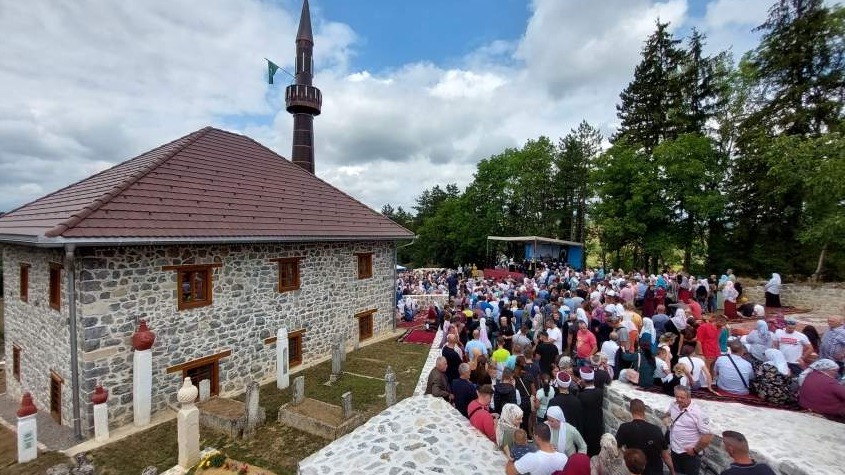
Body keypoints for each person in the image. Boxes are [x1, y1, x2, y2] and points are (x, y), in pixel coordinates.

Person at [615, 399, 674, 475]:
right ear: (644, 410)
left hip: (635, 470)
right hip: (655, 471)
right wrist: (673, 472)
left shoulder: (624, 428)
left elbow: (616, 449)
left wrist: (626, 457)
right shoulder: (656, 430)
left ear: (631, 411)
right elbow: (666, 457)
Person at [664, 385, 713, 475]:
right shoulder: (673, 405)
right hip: (675, 450)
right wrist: (666, 420)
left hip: (689, 455)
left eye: (682, 397)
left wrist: (695, 450)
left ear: (689, 397)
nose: (679, 400)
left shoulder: (698, 413)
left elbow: (708, 436)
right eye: (677, 397)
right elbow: (667, 414)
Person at [576, 367, 604, 456]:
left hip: (586, 428)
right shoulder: (600, 392)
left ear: (583, 380)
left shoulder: (581, 396)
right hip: (598, 426)